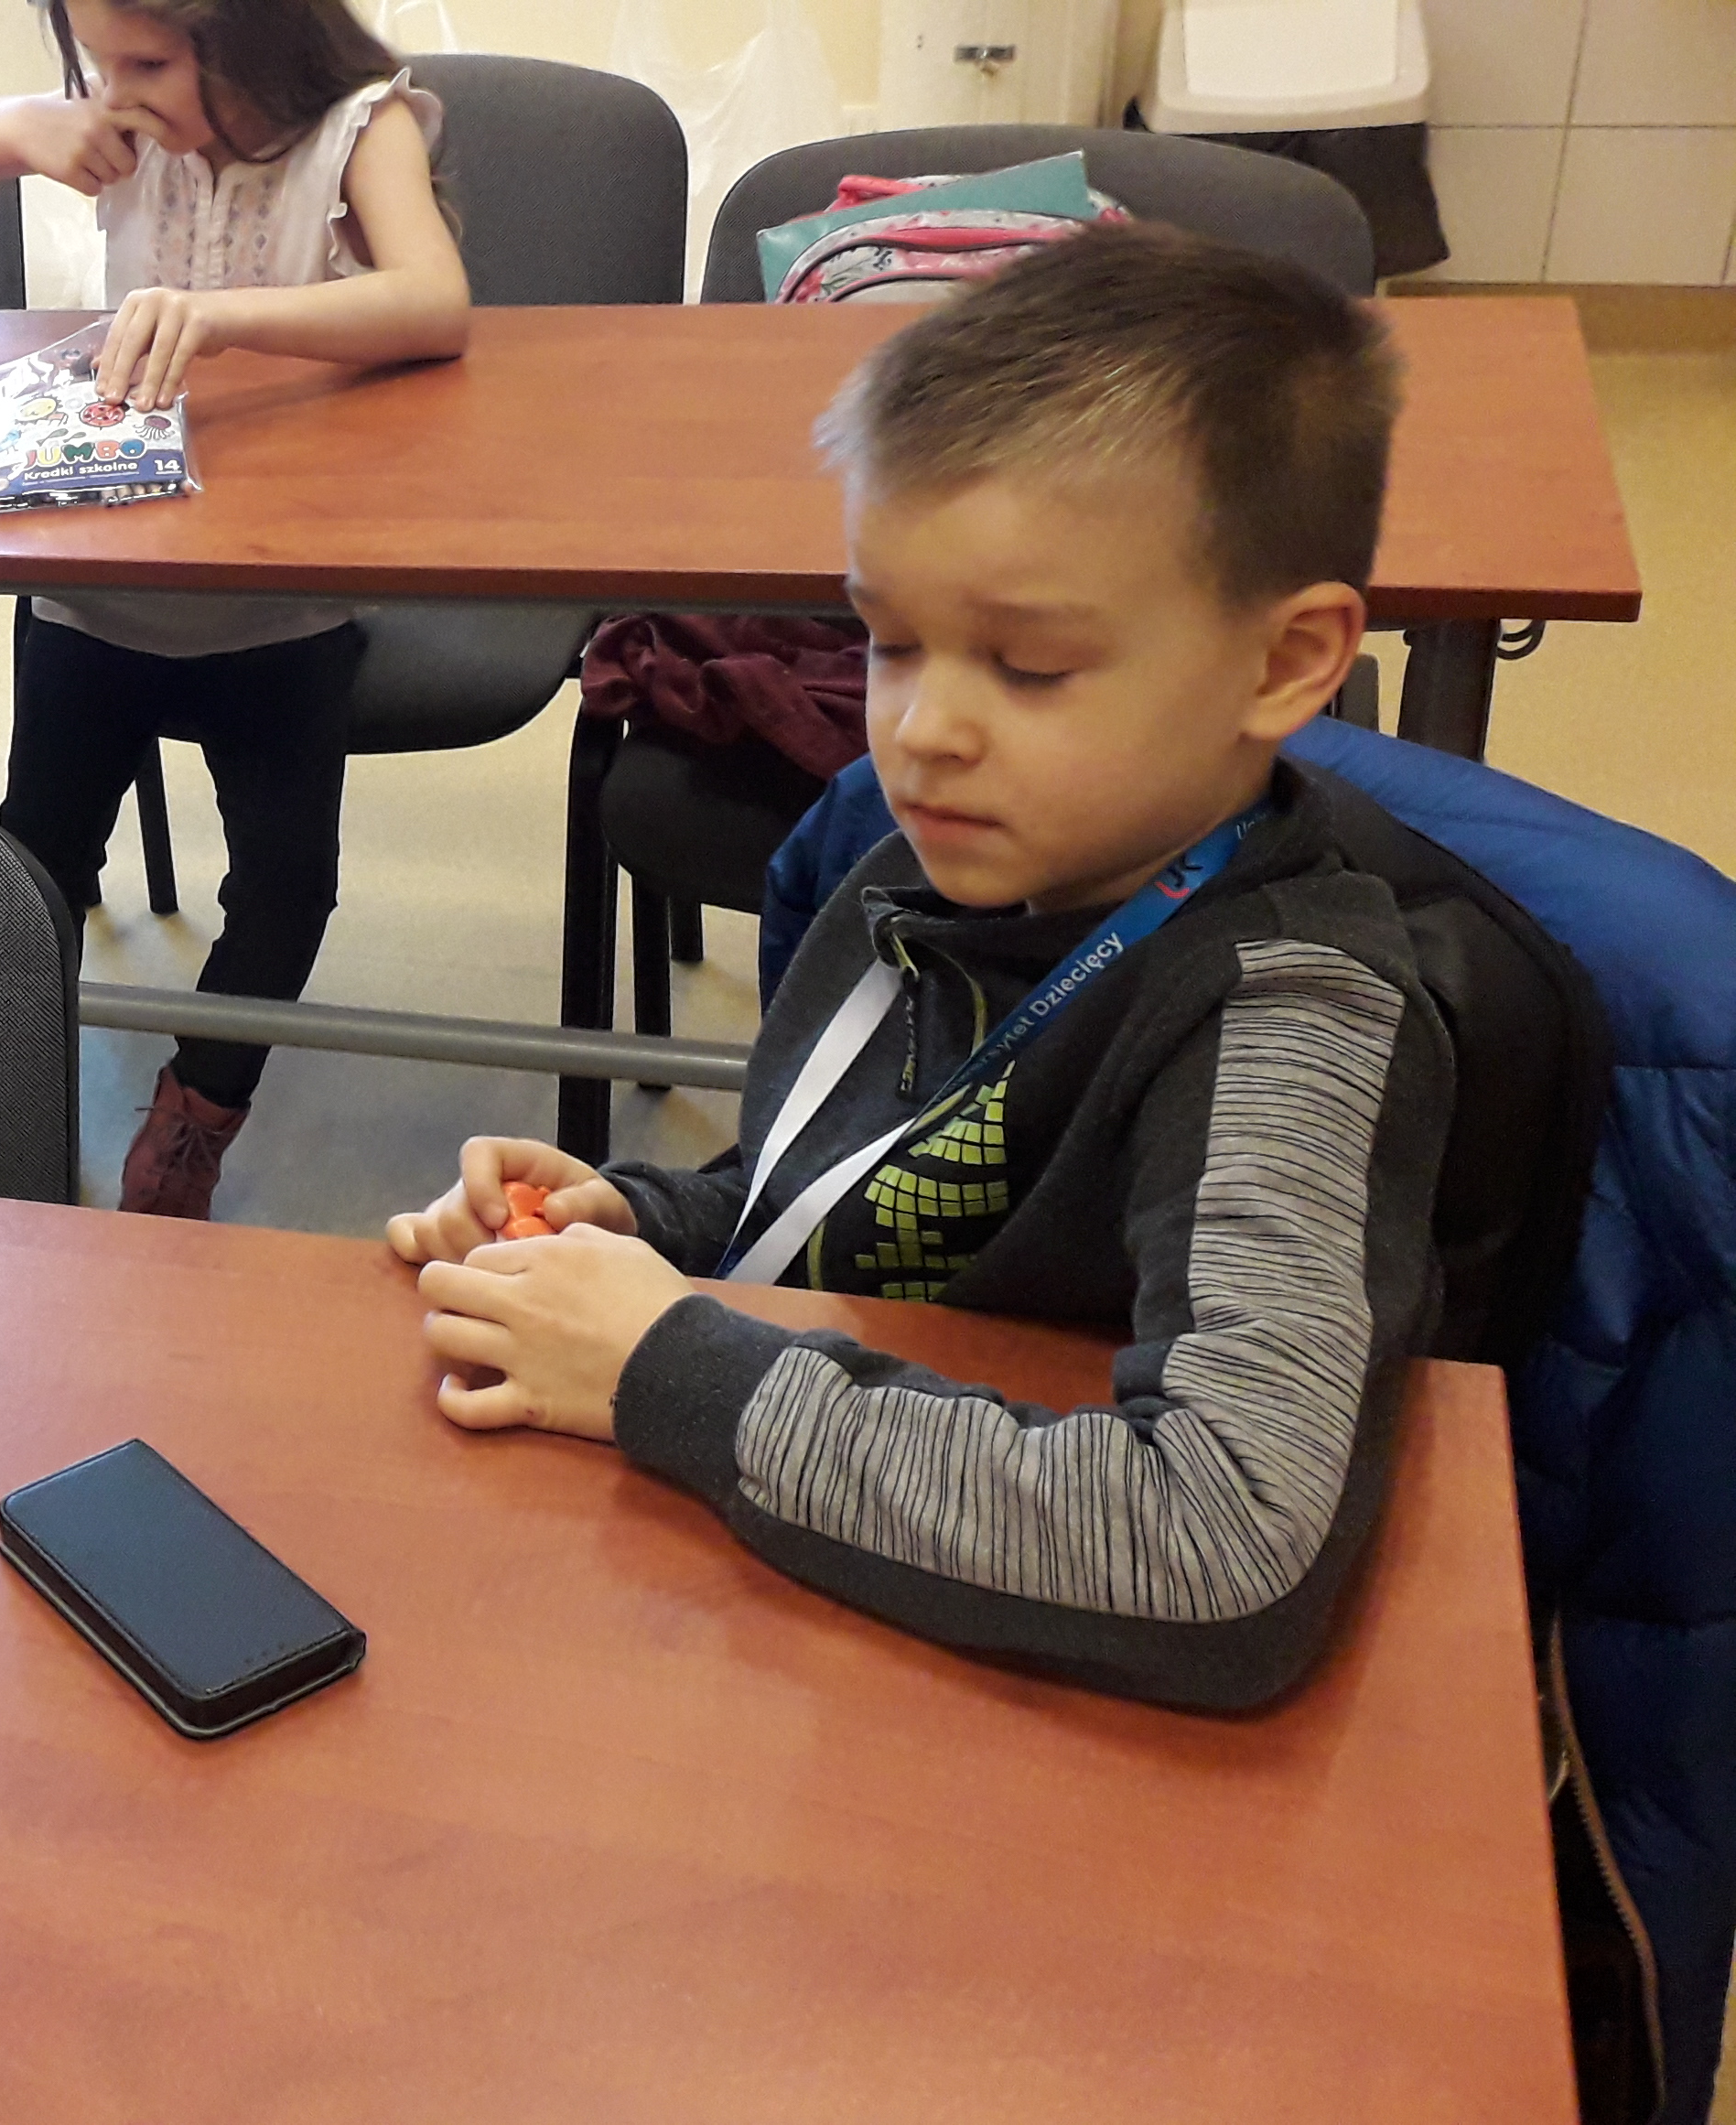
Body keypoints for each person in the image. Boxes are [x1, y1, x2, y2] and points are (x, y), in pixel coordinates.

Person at [386, 225, 1454, 1712]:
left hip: (1041, 1719)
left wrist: (660, 1365)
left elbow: (1226, 1543)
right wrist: (645, 1223)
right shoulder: (919, 860)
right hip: (824, 1633)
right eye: (887, 641)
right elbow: (872, 1204)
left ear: (1284, 663)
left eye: (1027, 665)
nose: (919, 731)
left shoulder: (1289, 1013)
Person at [0, 0, 468, 1218]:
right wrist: (24, 125)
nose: (118, 88)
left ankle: (199, 1109)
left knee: (286, 890)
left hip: (280, 610)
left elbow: (433, 302)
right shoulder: (127, 116)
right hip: (100, 597)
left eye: (147, 60)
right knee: (31, 862)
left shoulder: (358, 128)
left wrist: (222, 314)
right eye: (100, 62)